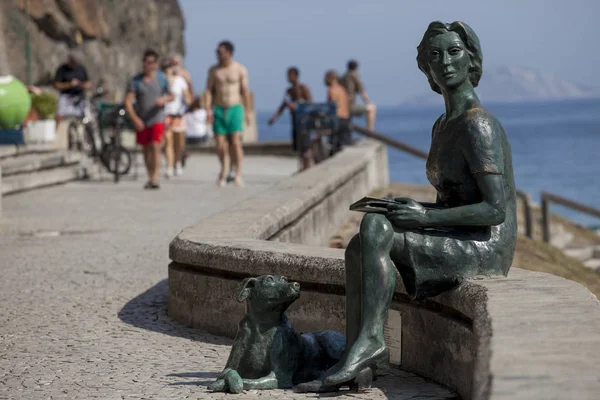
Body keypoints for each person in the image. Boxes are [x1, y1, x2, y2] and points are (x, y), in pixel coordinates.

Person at [305, 21, 517, 391]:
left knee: (373, 229)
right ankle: (358, 357)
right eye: (435, 56)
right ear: (427, 70)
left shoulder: (476, 125)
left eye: (454, 52)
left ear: (472, 60)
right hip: (462, 232)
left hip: (485, 244)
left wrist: (423, 217)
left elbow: (494, 210)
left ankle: (371, 343)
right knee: (361, 243)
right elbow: (448, 202)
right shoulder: (443, 125)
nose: (445, 62)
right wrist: (412, 209)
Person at [124, 49, 173, 190]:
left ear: (155, 64)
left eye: (151, 62)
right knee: (146, 149)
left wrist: (164, 99)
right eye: (145, 62)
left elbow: (171, 96)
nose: (147, 65)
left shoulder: (162, 78)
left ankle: (155, 178)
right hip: (142, 119)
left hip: (157, 118)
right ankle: (150, 176)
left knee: (155, 146)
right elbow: (128, 101)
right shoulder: (136, 81)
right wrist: (134, 118)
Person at [204, 40, 251, 187]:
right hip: (219, 108)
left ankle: (237, 173)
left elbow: (245, 92)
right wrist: (208, 109)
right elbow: (209, 91)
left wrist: (248, 112)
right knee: (219, 144)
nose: (218, 55)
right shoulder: (214, 70)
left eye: (220, 52)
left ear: (229, 53)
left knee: (235, 142)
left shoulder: (240, 69)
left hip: (235, 107)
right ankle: (224, 169)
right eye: (217, 52)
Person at [268, 67, 313, 170]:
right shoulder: (289, 90)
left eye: (290, 75)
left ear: (295, 76)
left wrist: (297, 105)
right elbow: (283, 105)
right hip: (295, 121)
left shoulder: (303, 88)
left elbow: (310, 104)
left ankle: (308, 167)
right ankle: (302, 167)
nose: (288, 78)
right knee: (299, 146)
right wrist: (274, 118)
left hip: (304, 121)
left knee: (306, 146)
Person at [162, 58, 192, 178]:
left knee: (179, 142)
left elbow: (187, 95)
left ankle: (178, 161)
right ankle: (169, 167)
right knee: (168, 141)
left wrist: (187, 99)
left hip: (179, 114)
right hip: (166, 113)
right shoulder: (162, 81)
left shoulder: (181, 80)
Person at [53, 52, 91, 128]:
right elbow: (56, 85)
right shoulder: (62, 69)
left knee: (88, 118)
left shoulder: (81, 68)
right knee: (59, 115)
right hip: (66, 96)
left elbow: (88, 83)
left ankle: (87, 136)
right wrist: (69, 84)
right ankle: (55, 134)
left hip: (79, 96)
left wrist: (80, 84)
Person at [340, 59, 376, 130]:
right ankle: (370, 131)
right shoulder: (354, 76)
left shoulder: (343, 77)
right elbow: (362, 91)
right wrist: (368, 102)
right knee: (372, 108)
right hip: (349, 106)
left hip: (342, 106)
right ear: (356, 68)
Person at [324, 70, 351, 155]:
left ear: (330, 79)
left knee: (334, 147)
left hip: (336, 119)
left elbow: (332, 106)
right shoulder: (342, 89)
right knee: (344, 145)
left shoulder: (331, 90)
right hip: (345, 119)